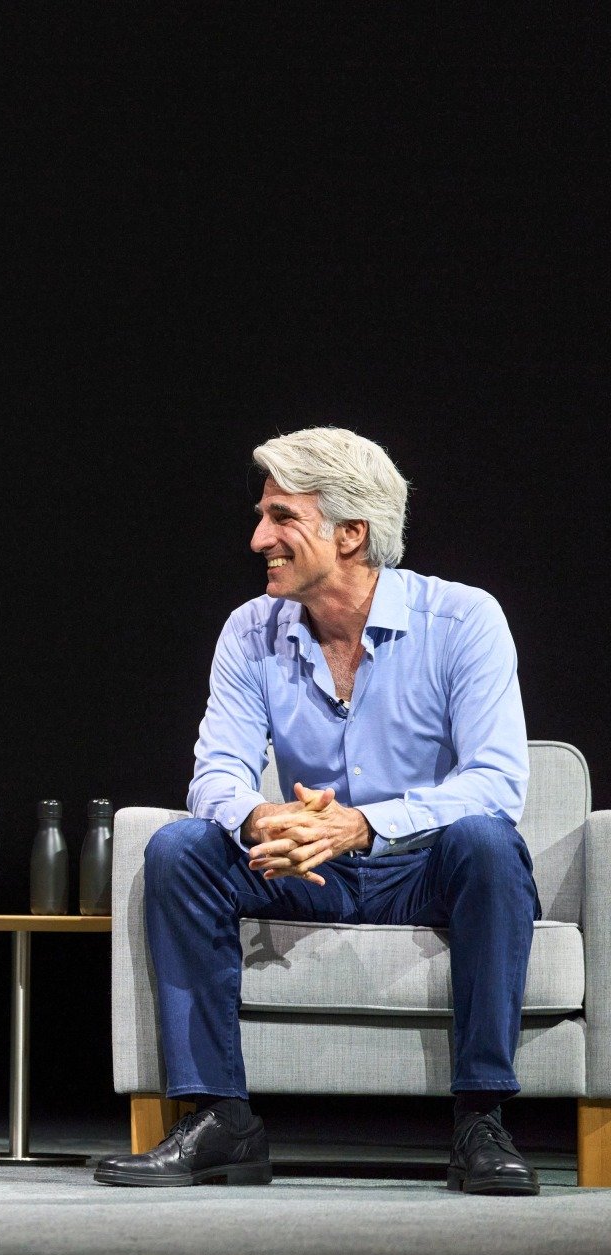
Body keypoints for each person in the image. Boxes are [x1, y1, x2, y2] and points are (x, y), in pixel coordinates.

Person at [93, 427, 539, 1195]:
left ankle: (481, 1122)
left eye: (281, 517)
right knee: (181, 850)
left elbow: (498, 781)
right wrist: (262, 821)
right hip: (308, 870)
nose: (259, 536)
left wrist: (364, 824)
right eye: (263, 515)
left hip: (420, 868)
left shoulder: (463, 621)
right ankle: (220, 1120)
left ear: (352, 533)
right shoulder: (250, 630)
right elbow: (219, 770)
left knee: (488, 845)